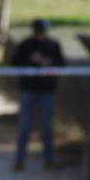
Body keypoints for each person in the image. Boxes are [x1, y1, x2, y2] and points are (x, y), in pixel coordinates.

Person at [9, 18, 66, 171]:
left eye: (43, 32)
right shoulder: (26, 45)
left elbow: (62, 64)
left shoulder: (53, 45)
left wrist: (49, 63)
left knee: (47, 126)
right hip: (28, 90)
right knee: (24, 126)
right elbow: (14, 62)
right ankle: (19, 160)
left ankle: (49, 160)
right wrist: (30, 60)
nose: (41, 35)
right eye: (38, 32)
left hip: (47, 91)